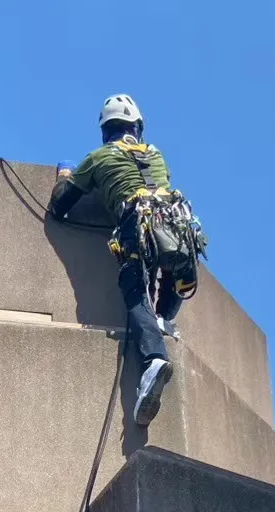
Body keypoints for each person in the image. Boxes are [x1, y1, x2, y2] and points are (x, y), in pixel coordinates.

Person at [49, 94, 207, 426]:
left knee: (134, 287)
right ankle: (165, 316)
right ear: (137, 127)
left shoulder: (97, 158)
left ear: (105, 131)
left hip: (136, 222)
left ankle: (153, 359)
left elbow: (60, 207)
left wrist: (65, 174)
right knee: (175, 266)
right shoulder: (156, 154)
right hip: (174, 222)